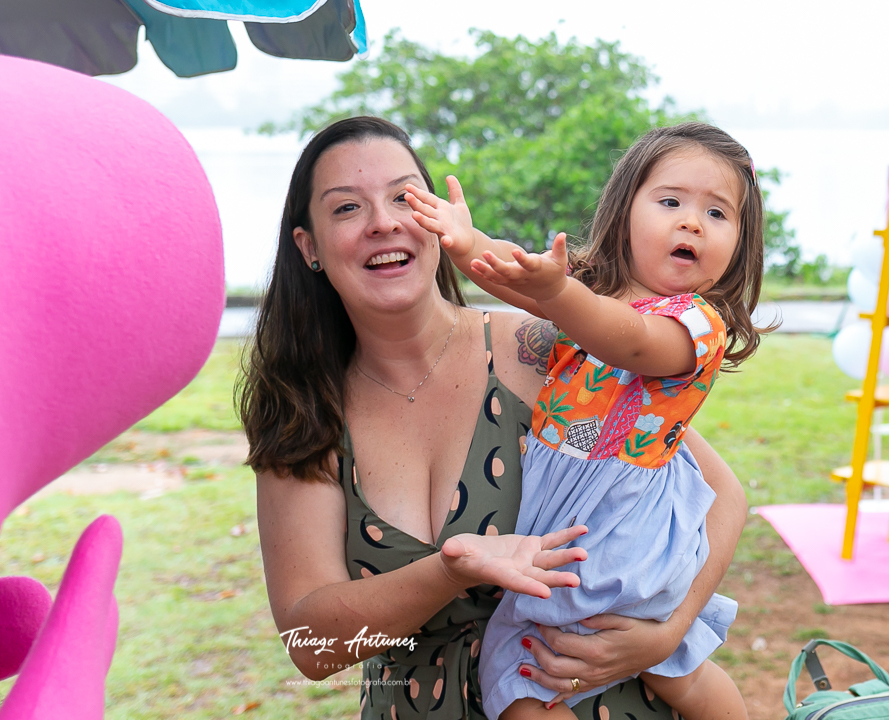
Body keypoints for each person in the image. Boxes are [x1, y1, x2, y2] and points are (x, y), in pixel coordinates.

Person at [237, 116, 748, 720]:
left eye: (405, 197)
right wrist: (449, 570)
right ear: (309, 246)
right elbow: (311, 647)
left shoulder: (541, 348)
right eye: (347, 208)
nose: (384, 221)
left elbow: (718, 492)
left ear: (439, 221)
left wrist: (668, 636)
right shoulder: (304, 417)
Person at [405, 122, 761, 720]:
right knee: (682, 671)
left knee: (524, 668)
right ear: (625, 210)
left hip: (614, 529)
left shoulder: (697, 323)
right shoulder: (594, 294)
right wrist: (467, 246)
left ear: (739, 246)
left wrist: (558, 292)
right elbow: (530, 285)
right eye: (670, 202)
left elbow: (629, 341)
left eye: (718, 213)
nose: (692, 222)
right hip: (601, 523)